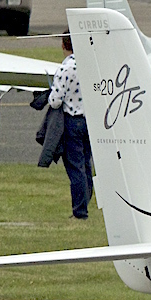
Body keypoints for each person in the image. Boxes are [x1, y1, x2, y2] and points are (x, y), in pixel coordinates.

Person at [47, 34, 94, 219]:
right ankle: (86, 201)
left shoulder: (65, 69)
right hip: (89, 121)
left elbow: (55, 101)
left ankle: (80, 211)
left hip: (72, 121)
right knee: (85, 164)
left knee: (75, 168)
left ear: (63, 45)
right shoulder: (90, 65)